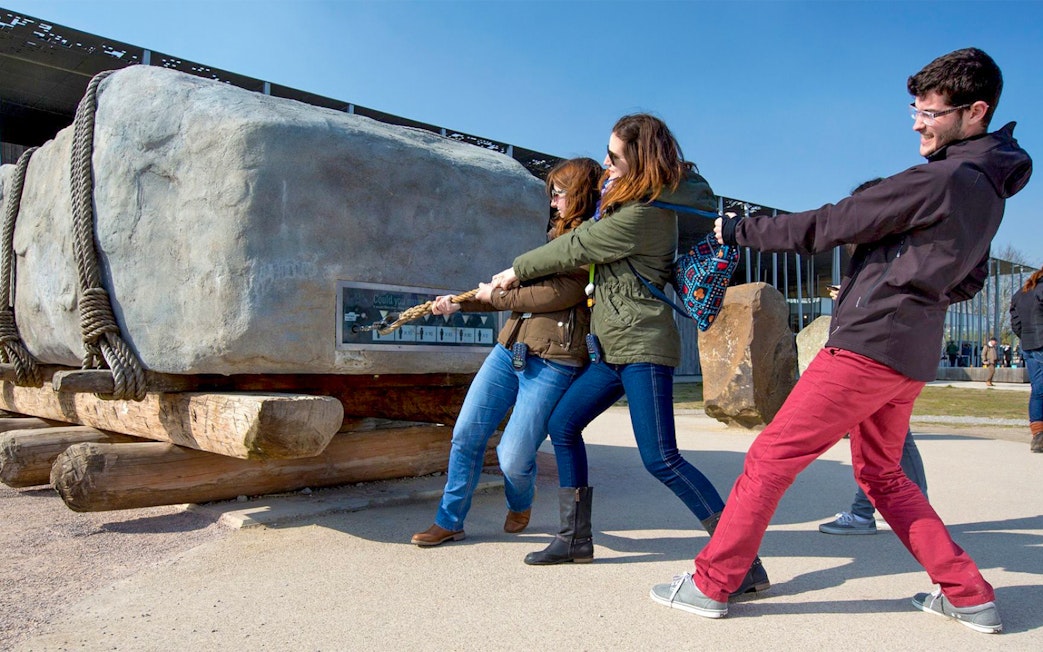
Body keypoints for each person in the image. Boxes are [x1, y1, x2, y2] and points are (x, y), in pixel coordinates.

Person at [650, 48, 1031, 634]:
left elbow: (828, 224)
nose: (917, 122)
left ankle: (710, 584)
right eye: (915, 108)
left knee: (770, 459)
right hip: (908, 353)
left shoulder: (942, 178)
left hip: (866, 347)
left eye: (930, 112)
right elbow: (969, 279)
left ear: (975, 111)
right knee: (883, 475)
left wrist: (737, 229)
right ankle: (969, 594)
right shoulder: (988, 192)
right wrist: (902, 290)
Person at [491, 114, 769, 597]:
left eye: (614, 155)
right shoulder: (625, 206)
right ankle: (574, 538)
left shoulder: (644, 217)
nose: (605, 163)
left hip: (642, 347)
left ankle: (742, 563)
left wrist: (513, 271)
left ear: (638, 160)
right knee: (563, 424)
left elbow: (577, 247)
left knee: (661, 459)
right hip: (612, 351)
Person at [410, 157, 601, 546]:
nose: (553, 202)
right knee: (466, 435)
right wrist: (461, 302)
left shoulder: (590, 240)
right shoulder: (552, 238)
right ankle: (449, 520)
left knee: (514, 457)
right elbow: (515, 298)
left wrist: (496, 294)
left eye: (559, 194)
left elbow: (556, 294)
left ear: (579, 194)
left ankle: (520, 499)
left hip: (553, 362)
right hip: (509, 350)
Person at [818, 178, 929, 536]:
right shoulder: (884, 252)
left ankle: (904, 510)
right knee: (884, 439)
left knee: (888, 440)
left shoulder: (891, 252)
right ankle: (877, 511)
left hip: (879, 355)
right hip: (884, 354)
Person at [1010, 264, 1043, 453]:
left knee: (1038, 390)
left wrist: (1025, 336)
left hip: (1028, 345)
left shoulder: (1022, 292)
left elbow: (1014, 320)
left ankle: (1038, 435)